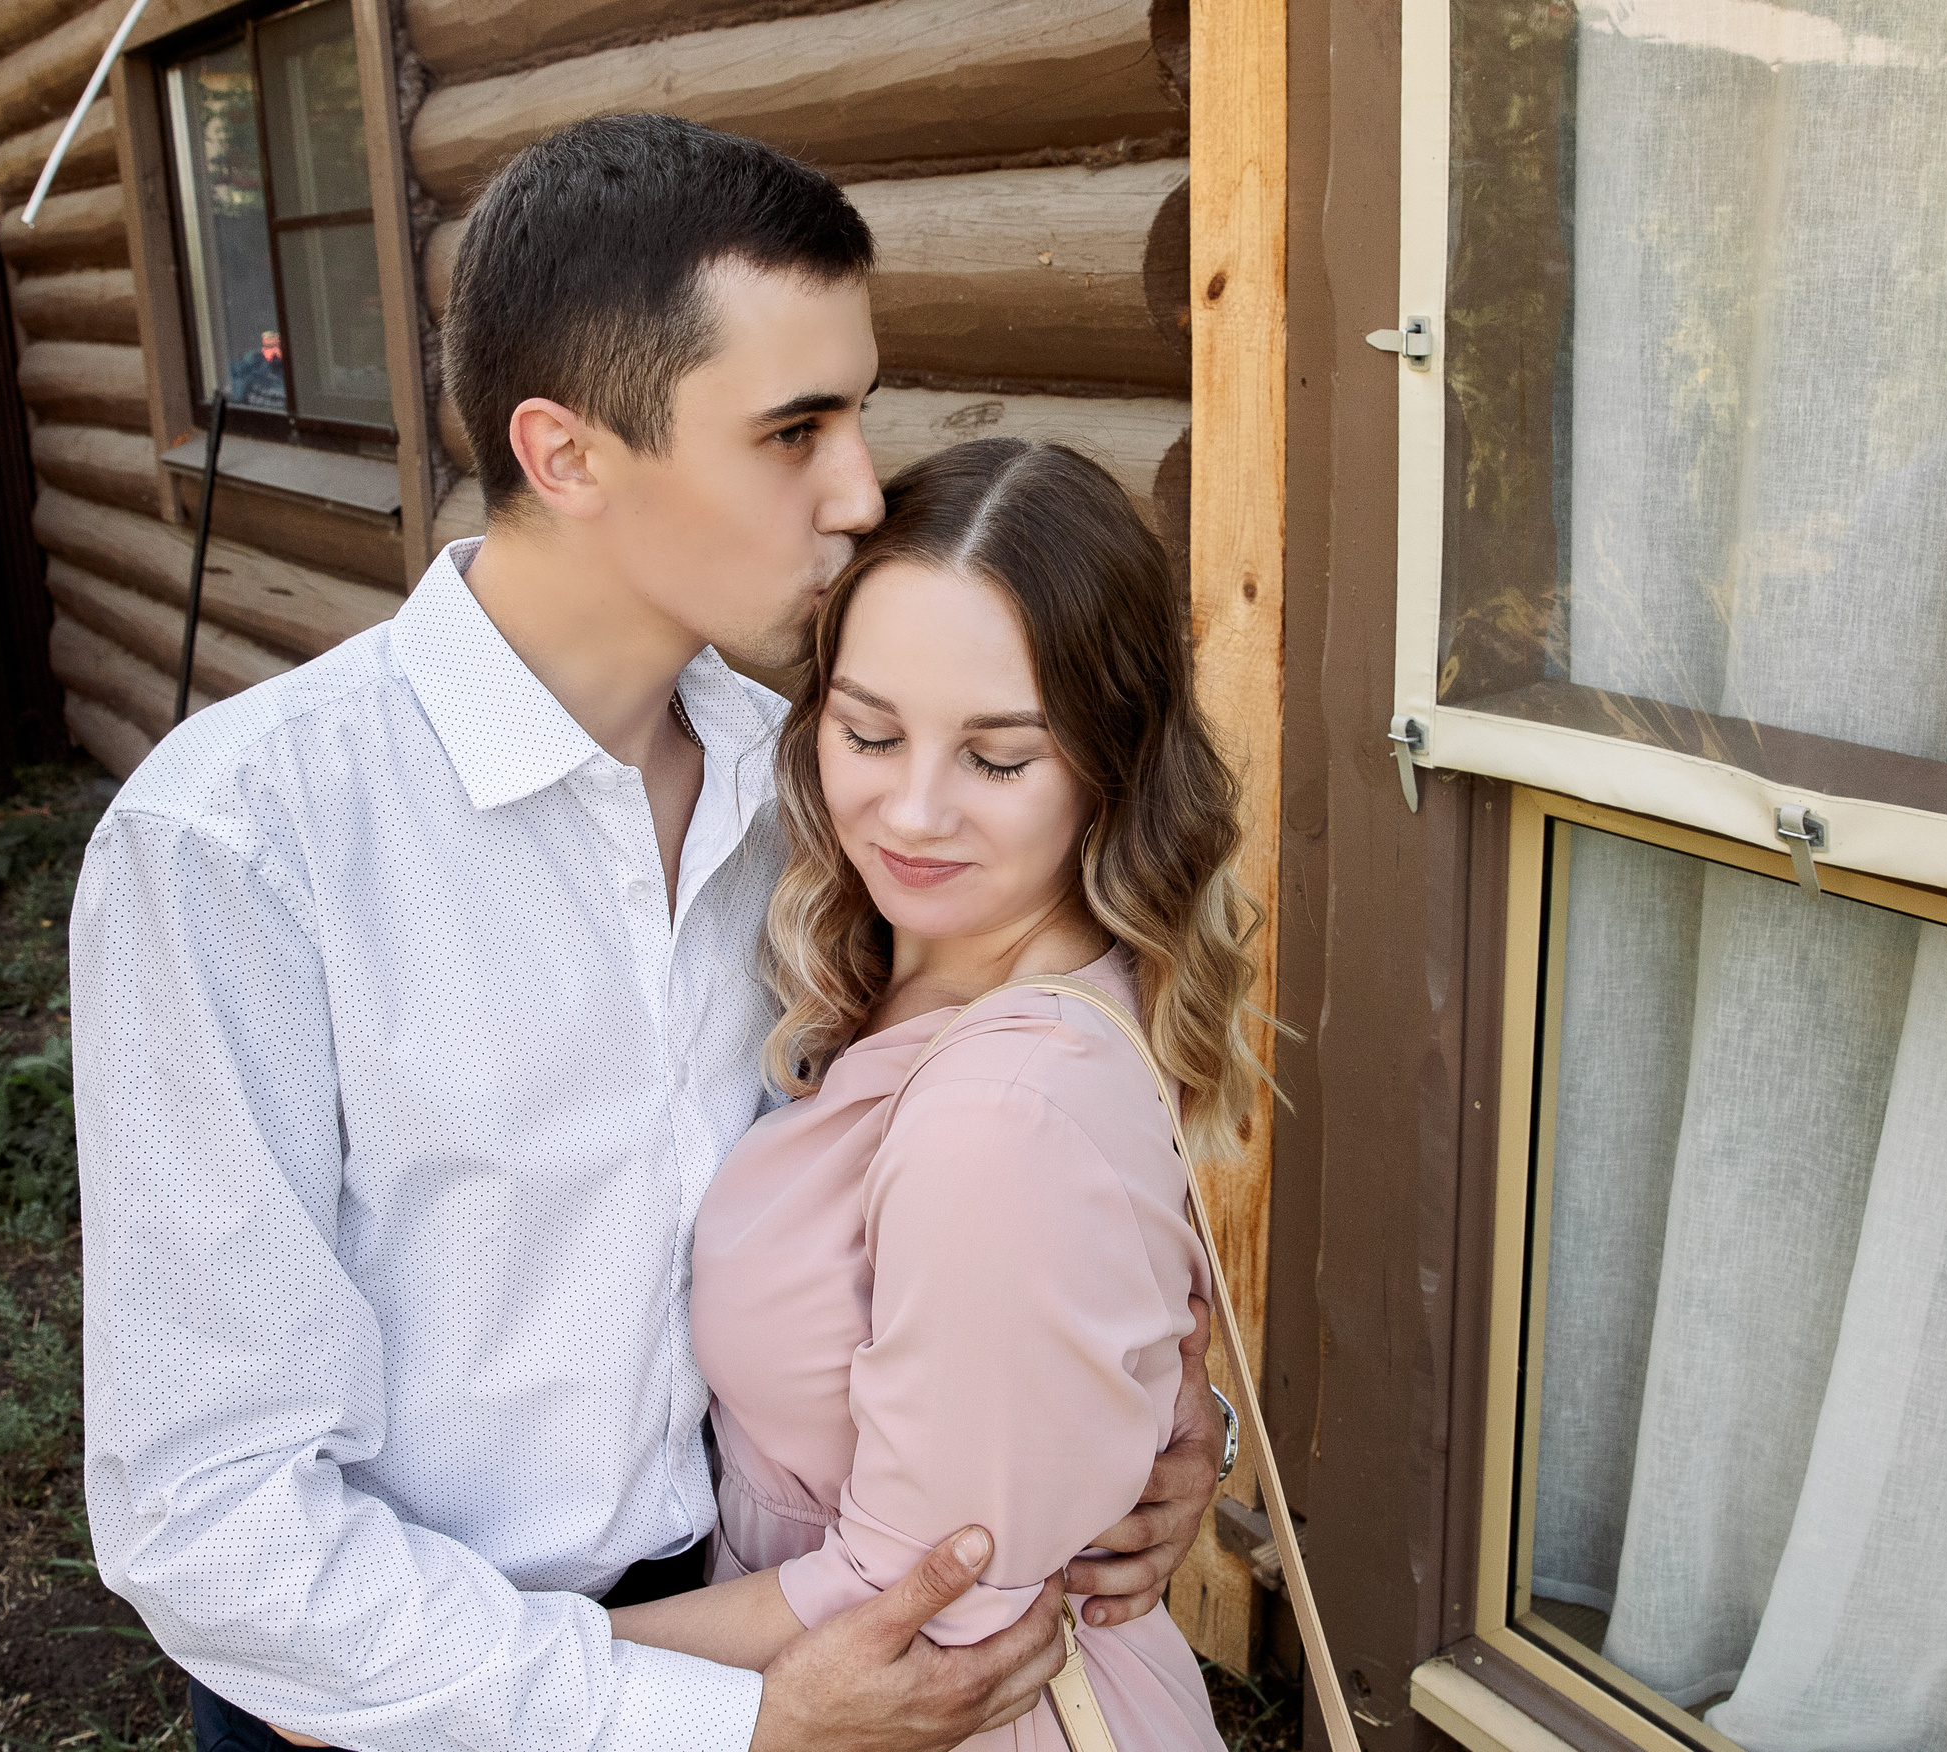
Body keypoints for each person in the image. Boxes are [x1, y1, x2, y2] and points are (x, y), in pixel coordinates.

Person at [71, 116, 1225, 1752]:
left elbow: (1012, 1208)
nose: (858, 490)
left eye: (860, 413)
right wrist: (704, 1720)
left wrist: (1152, 1436)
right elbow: (214, 1511)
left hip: (766, 1599)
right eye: (793, 430)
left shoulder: (819, 804)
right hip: (404, 1699)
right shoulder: (245, 847)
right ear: (569, 455)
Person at [603, 437, 1256, 1752]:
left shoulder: (1002, 1110)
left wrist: (455, 1682)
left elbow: (905, 1597)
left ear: (1109, 763)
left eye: (998, 758)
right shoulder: (901, 962)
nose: (910, 811)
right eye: (870, 731)